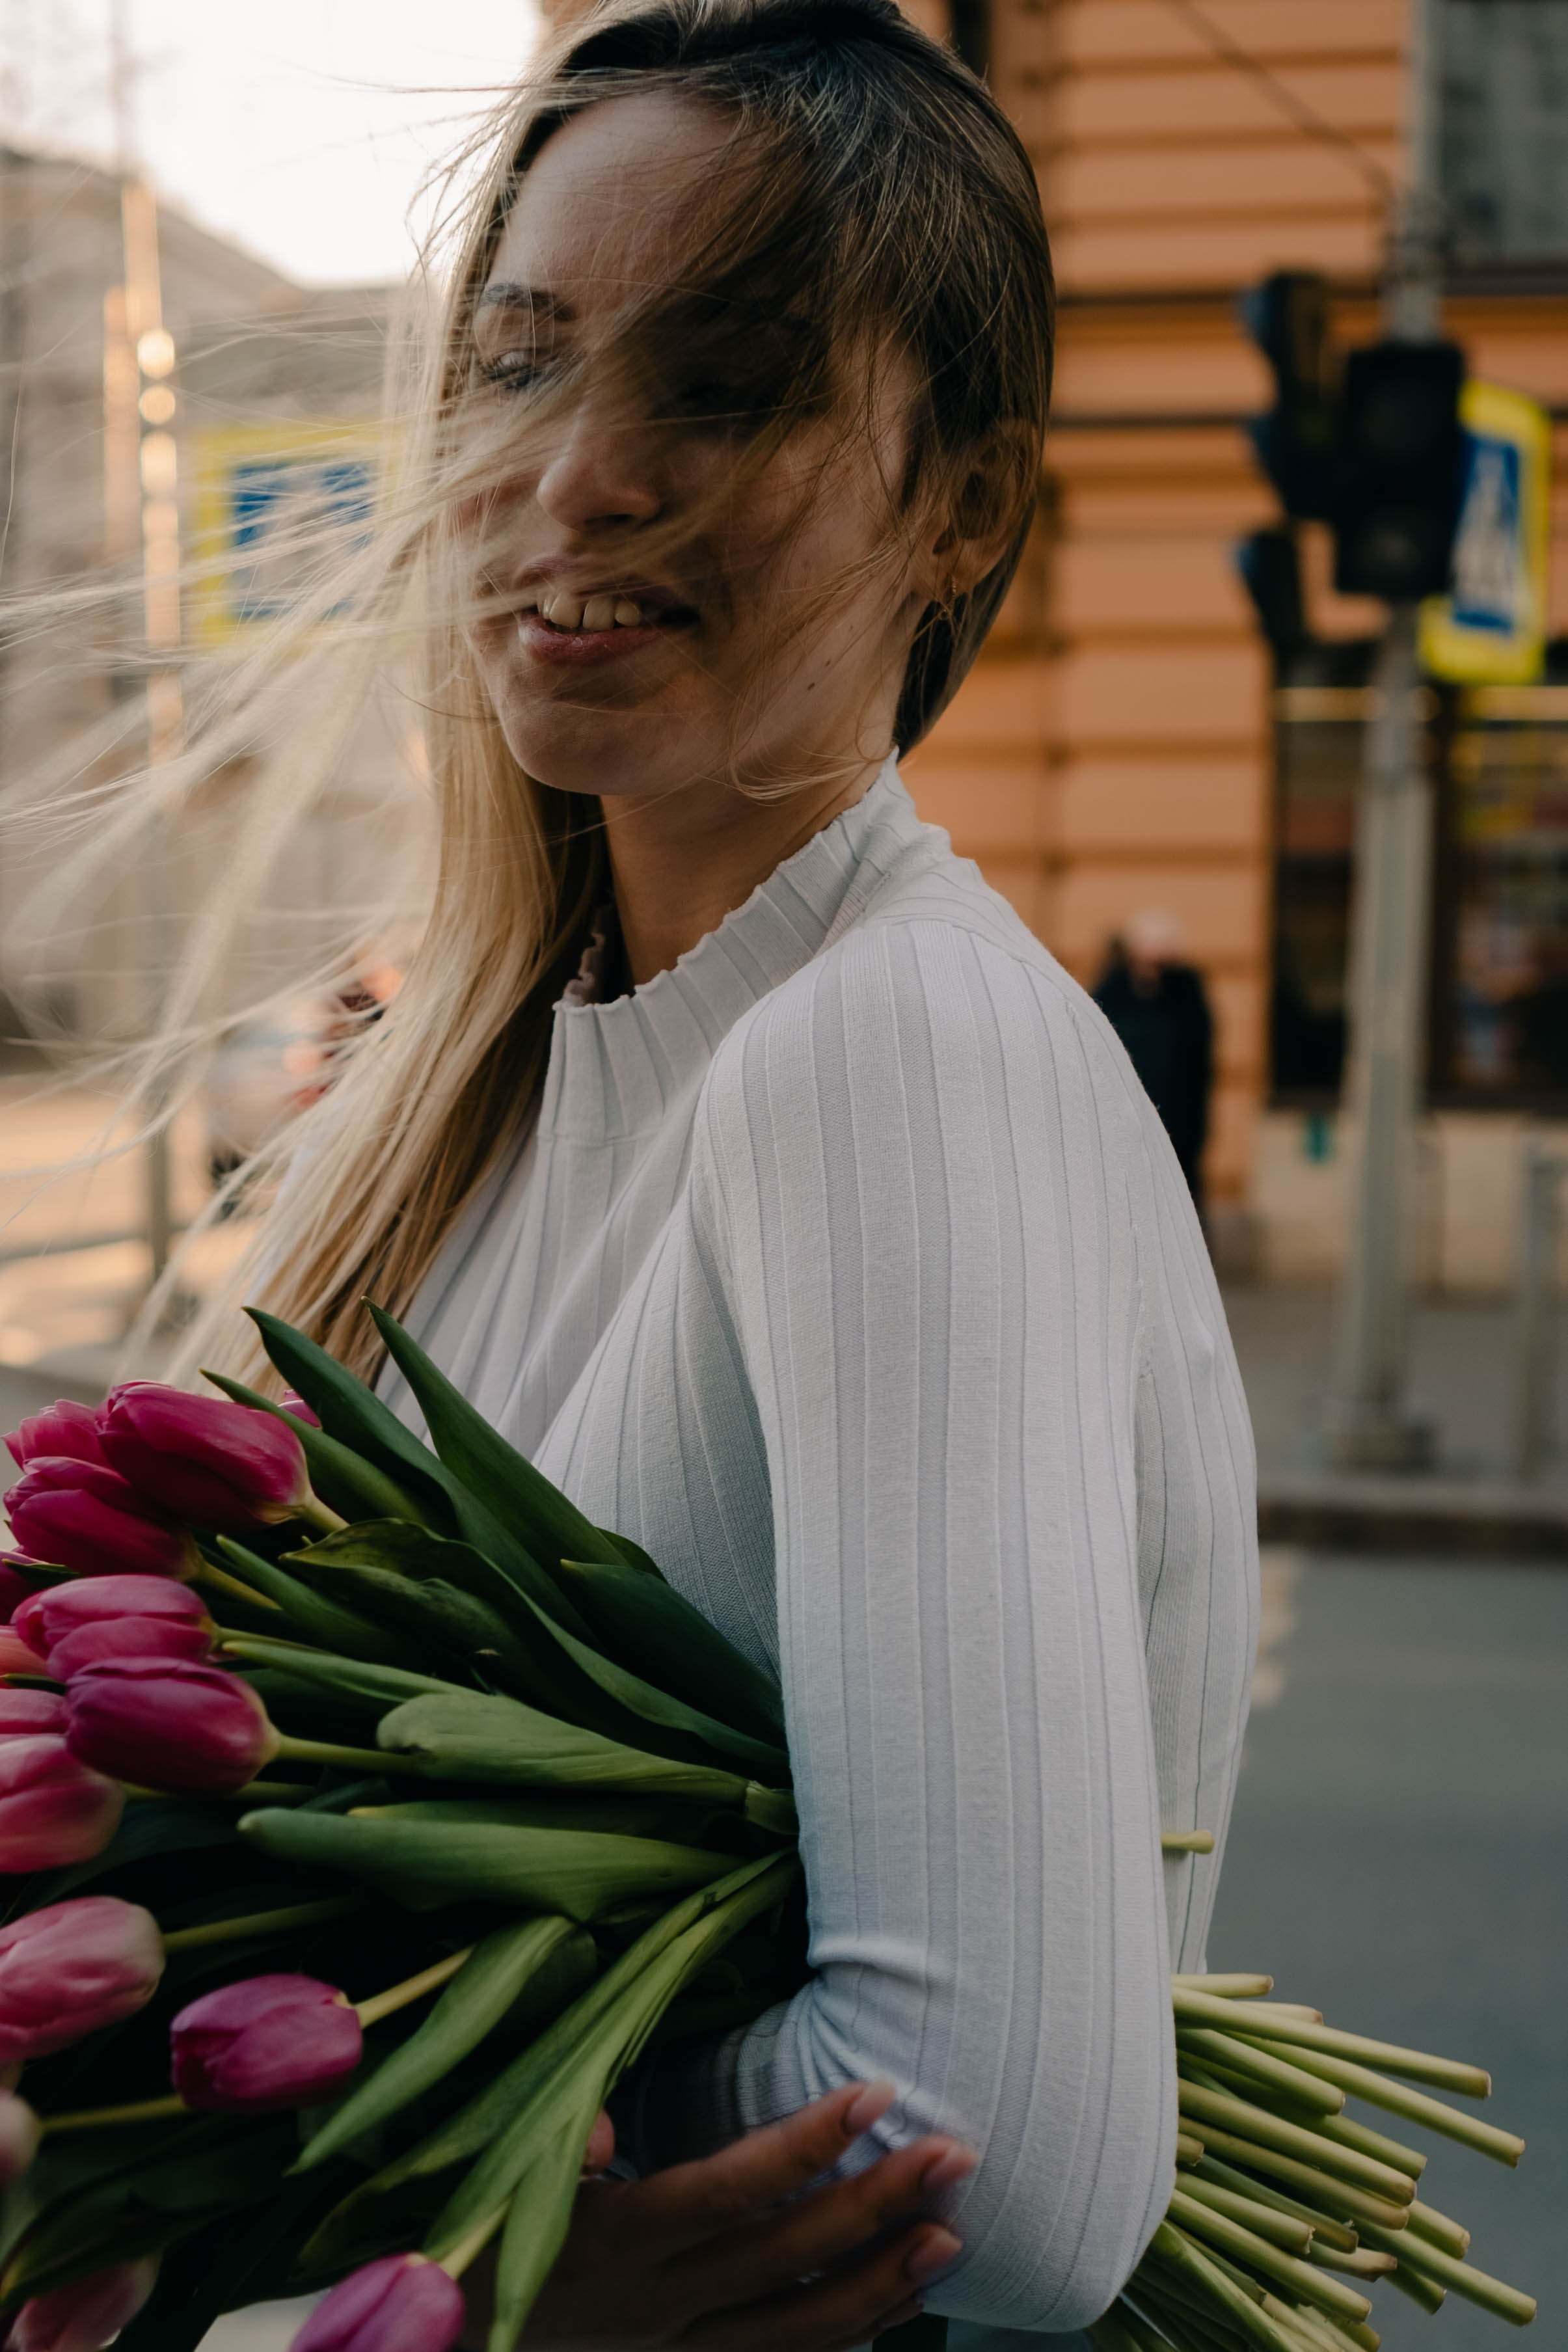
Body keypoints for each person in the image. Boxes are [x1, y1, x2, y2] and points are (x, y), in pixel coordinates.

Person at [47, 1, 1259, 2343]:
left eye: (724, 385)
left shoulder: (895, 1049)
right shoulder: (458, 1096)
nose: (578, 473)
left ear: (963, 503)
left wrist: (419, 2178)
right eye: (519, 364)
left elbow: (1000, 2161)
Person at [1092, 909, 1215, 1211]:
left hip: (1178, 1125)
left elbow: (1198, 1065)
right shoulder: (1114, 992)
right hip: (1123, 1122)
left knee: (1177, 1200)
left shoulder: (1186, 997)